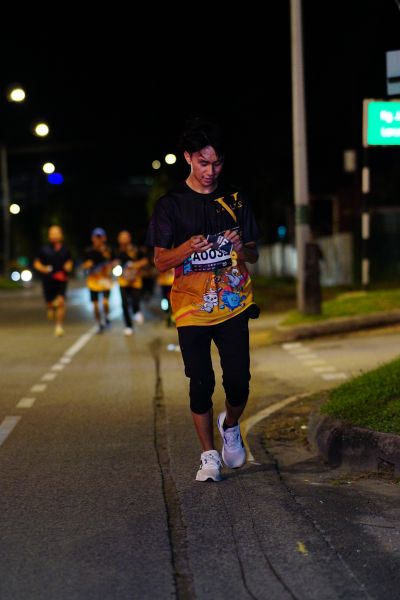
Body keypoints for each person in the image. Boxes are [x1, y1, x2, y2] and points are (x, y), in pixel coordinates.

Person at [146, 119, 260, 482]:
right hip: (191, 307)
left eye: (217, 163)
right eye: (203, 163)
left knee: (238, 382)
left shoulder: (235, 199)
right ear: (188, 158)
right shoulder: (171, 206)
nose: (211, 171)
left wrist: (242, 247)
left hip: (233, 302)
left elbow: (254, 253)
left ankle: (231, 425)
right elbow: (160, 261)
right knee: (201, 382)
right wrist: (186, 248)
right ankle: (208, 456)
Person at [33, 225, 73, 337]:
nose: (55, 236)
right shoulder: (44, 250)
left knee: (61, 302)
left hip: (61, 280)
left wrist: (68, 267)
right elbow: (36, 263)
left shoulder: (66, 250)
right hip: (48, 281)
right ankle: (50, 307)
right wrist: (43, 268)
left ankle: (59, 326)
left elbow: (70, 262)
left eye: (57, 233)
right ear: (49, 236)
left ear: (61, 235)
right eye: (52, 233)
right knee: (50, 303)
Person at [114, 230, 148, 335]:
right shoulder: (116, 252)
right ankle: (128, 326)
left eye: (126, 237)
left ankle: (136, 311)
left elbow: (145, 260)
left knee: (135, 301)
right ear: (118, 239)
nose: (124, 239)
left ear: (129, 238)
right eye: (122, 237)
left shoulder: (136, 250)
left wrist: (135, 265)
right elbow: (112, 263)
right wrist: (115, 265)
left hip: (135, 281)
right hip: (123, 282)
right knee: (124, 304)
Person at [82, 227, 114, 333]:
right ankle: (99, 323)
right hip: (93, 281)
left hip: (105, 280)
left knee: (105, 302)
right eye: (96, 237)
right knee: (95, 305)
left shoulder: (108, 250)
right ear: (92, 238)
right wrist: (87, 265)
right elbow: (84, 265)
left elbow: (114, 261)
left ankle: (107, 317)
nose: (98, 239)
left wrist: (108, 260)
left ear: (104, 238)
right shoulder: (88, 251)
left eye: (100, 237)